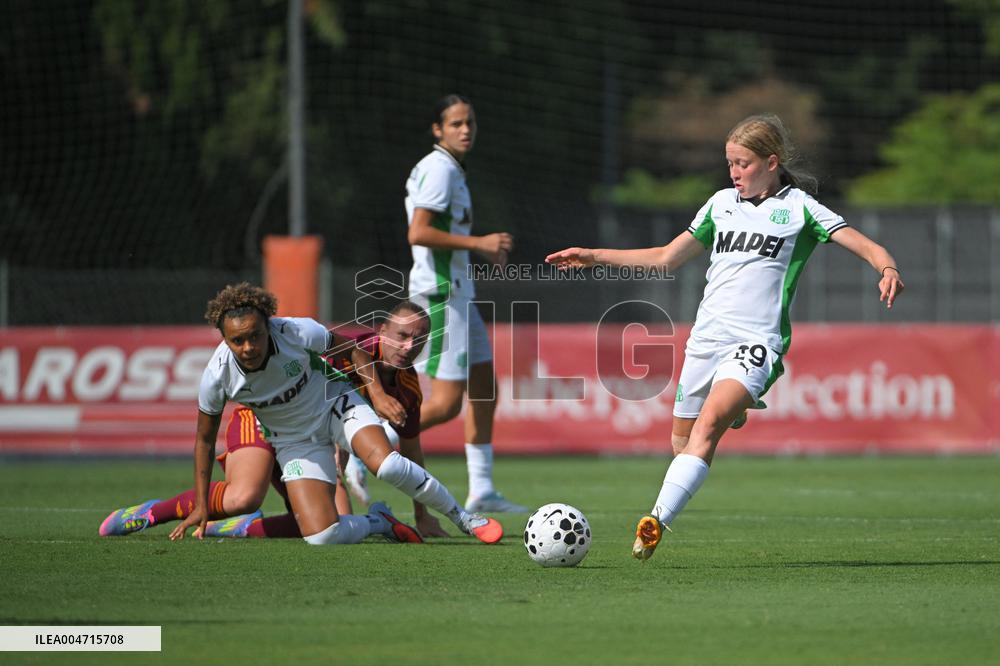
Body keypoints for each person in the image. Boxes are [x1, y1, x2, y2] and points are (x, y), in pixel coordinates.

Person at [545, 114, 905, 561]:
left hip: (756, 341)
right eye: (730, 163)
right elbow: (665, 258)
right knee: (681, 444)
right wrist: (595, 255)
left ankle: (655, 521)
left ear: (771, 162)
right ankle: (735, 409)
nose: (734, 172)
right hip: (706, 339)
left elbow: (868, 245)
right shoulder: (719, 205)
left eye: (743, 163)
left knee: (708, 424)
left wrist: (887, 268)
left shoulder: (800, 208)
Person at [165, 282, 502, 546]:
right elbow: (204, 441)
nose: (249, 347)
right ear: (225, 339)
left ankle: (464, 518)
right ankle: (378, 522)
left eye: (255, 336)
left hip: (336, 406)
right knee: (321, 536)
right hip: (293, 439)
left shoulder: (295, 331)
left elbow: (352, 351)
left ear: (269, 326)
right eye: (238, 341)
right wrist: (202, 505)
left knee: (387, 465)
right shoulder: (216, 376)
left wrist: (377, 397)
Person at [405, 93, 527, 514]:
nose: (465, 130)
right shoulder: (439, 169)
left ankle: (482, 489)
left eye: (470, 122)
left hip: (459, 292)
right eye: (455, 123)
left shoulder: (450, 169)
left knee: (485, 388)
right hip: (442, 294)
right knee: (445, 404)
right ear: (437, 129)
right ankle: (361, 441)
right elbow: (418, 232)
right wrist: (479, 243)